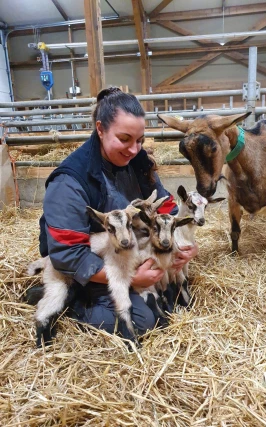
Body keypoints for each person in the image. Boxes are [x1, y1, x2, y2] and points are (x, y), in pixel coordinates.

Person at [27, 87, 198, 338]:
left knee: (173, 298)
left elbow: (166, 208)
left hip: (129, 253)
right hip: (92, 265)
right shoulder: (70, 181)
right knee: (141, 321)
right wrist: (129, 278)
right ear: (100, 129)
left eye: (139, 140)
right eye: (124, 138)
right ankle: (73, 301)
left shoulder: (138, 163)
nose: (133, 149)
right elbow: (67, 254)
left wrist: (183, 245)